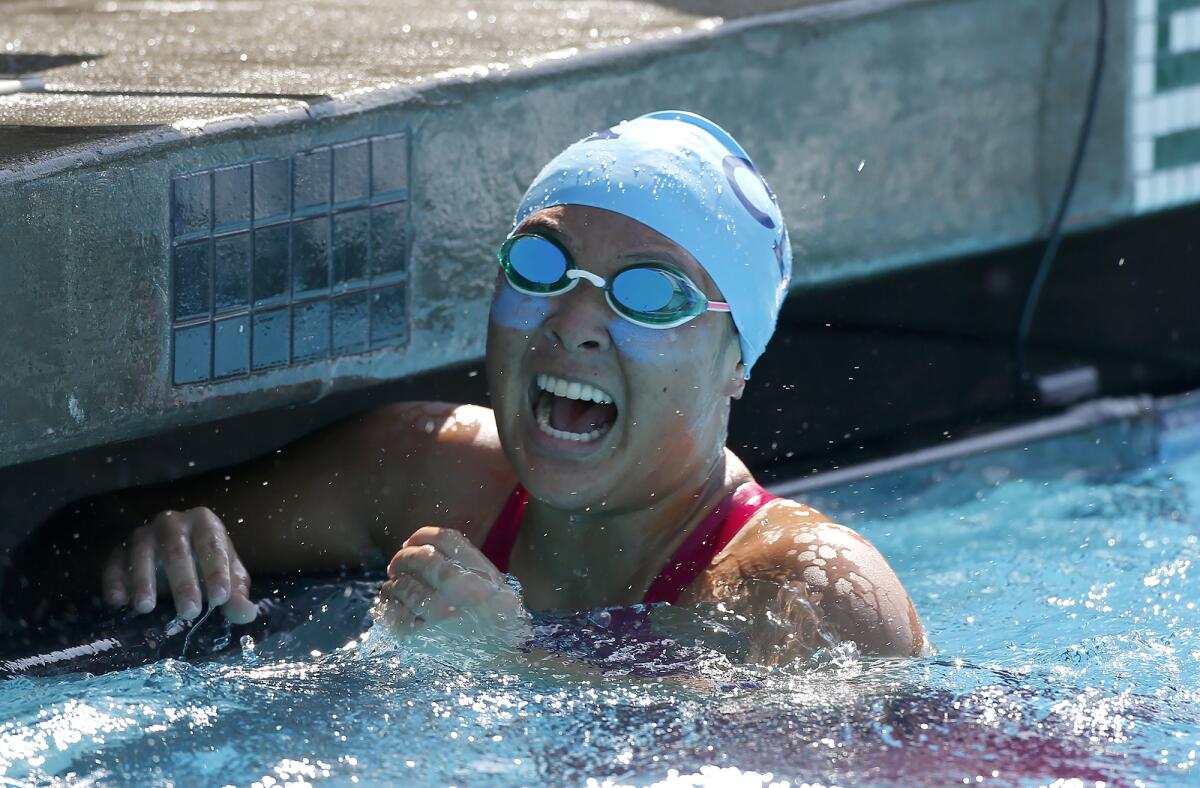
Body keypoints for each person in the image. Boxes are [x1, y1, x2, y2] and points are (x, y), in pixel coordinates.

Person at [22, 111, 928, 659]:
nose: (574, 320)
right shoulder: (429, 472)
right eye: (541, 264)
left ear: (739, 363)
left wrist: (511, 667)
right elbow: (52, 549)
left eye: (651, 292)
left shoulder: (813, 593)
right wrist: (154, 547)